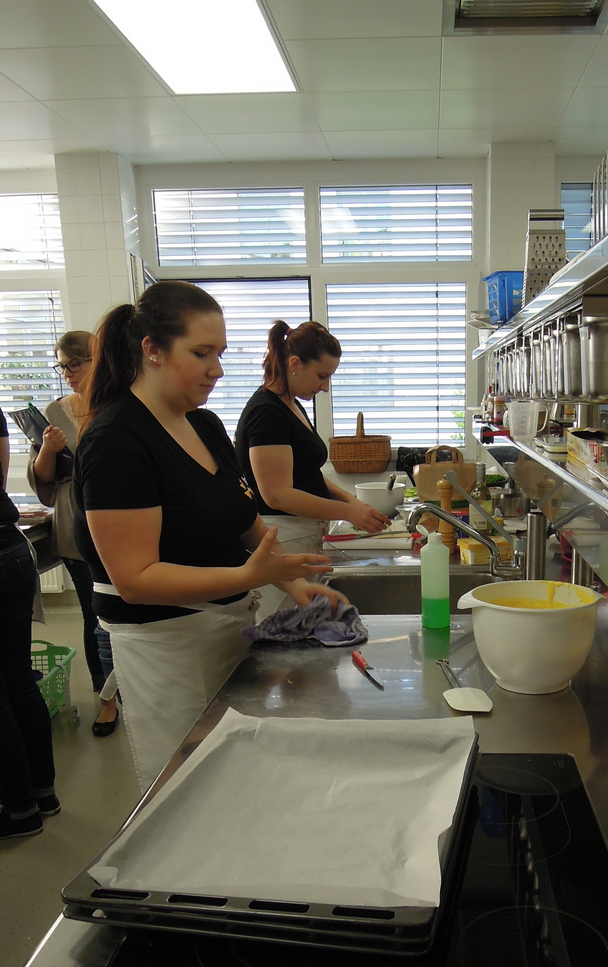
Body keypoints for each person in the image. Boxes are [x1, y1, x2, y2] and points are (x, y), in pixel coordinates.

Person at [73, 282, 345, 794]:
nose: (217, 369)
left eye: (219, 353)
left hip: (226, 630)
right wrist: (249, 575)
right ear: (152, 350)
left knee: (233, 778)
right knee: (185, 787)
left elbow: (244, 520)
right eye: (201, 353)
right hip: (167, 648)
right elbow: (136, 579)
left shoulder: (203, 424)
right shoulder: (117, 440)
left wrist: (292, 582)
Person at [0, 381, 58, 842]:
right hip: (10, 548)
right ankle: (43, 793)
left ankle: (20, 811)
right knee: (18, 678)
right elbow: (0, 476)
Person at [235, 320, 391, 558]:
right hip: (281, 536)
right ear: (295, 364)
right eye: (322, 376)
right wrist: (348, 512)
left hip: (302, 533)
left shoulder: (291, 405)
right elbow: (277, 495)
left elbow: (307, 473)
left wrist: (353, 502)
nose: (325, 387)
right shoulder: (266, 413)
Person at [28, 330, 119, 736]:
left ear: (98, 360)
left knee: (128, 611)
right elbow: (44, 481)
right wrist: (49, 449)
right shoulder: (54, 411)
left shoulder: (120, 403)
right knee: (93, 613)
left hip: (121, 519)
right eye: (62, 366)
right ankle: (106, 699)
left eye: (75, 364)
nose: (67, 373)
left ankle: (133, 686)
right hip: (75, 523)